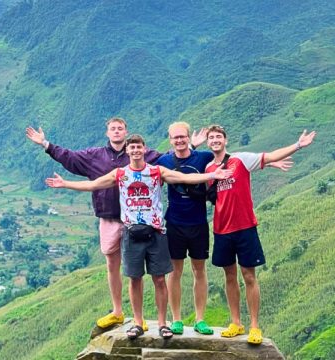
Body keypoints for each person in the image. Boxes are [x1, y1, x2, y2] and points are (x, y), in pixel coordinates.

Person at [45, 134, 233, 339]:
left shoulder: (156, 171)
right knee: (135, 279)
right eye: (132, 147)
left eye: (138, 147)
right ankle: (138, 322)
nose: (135, 150)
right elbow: (93, 185)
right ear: (127, 151)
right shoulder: (119, 174)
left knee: (160, 279)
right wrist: (66, 184)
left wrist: (212, 176)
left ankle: (163, 323)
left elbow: (185, 177)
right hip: (131, 233)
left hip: (156, 232)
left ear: (145, 150)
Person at [26, 118, 206, 330]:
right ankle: (118, 312)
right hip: (110, 217)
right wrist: (46, 145)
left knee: (152, 273)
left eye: (120, 128)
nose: (117, 131)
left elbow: (170, 162)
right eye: (113, 128)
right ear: (107, 133)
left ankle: (155, 321)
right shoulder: (95, 155)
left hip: (144, 223)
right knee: (115, 266)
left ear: (127, 132)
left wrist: (190, 146)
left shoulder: (145, 154)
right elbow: (70, 158)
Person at [156, 122, 292, 336]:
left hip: (201, 223)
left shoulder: (203, 158)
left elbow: (236, 159)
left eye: (183, 136)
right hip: (177, 223)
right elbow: (144, 171)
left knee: (201, 271)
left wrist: (269, 163)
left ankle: (202, 320)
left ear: (189, 137)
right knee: (176, 272)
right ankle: (177, 320)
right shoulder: (165, 161)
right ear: (170, 139)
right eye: (175, 137)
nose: (179, 140)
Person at [205, 125, 316, 344]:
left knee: (249, 275)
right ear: (208, 143)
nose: (215, 140)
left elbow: (270, 155)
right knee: (229, 276)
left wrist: (297, 145)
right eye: (211, 137)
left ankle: (255, 326)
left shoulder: (241, 159)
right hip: (221, 229)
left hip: (245, 227)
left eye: (219, 136)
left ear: (225, 140)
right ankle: (236, 322)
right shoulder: (208, 168)